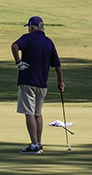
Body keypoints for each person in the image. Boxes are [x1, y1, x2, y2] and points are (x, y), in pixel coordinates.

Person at [12, 16, 63, 154]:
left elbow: (14, 46)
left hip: (27, 81)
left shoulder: (27, 38)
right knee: (38, 114)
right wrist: (60, 82)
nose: (28, 29)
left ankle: (34, 145)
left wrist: (18, 62)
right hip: (42, 84)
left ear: (32, 27)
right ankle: (39, 143)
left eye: (29, 26)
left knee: (29, 113)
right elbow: (57, 65)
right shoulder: (48, 42)